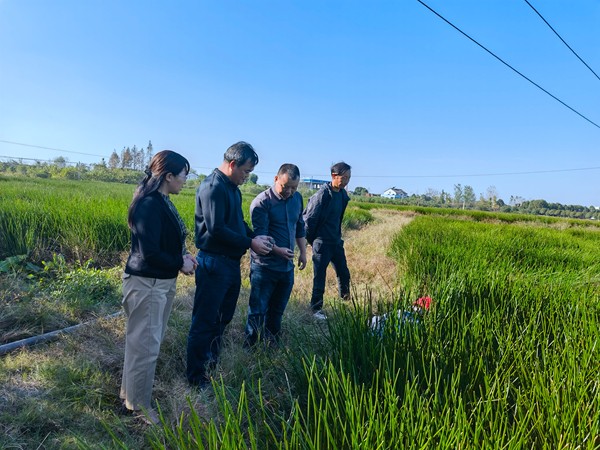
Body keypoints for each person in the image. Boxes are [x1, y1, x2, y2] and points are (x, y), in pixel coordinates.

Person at [120, 150, 197, 425]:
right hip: (147, 284)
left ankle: (129, 397)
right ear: (168, 176)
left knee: (141, 344)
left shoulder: (162, 200)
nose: (186, 180)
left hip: (159, 282)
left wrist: (184, 257)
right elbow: (150, 252)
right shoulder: (149, 204)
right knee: (146, 347)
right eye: (184, 175)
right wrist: (180, 262)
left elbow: (166, 242)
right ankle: (140, 408)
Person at [186, 141, 272, 387]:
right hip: (213, 262)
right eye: (245, 171)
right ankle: (196, 376)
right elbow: (216, 230)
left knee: (222, 318)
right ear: (232, 164)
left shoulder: (232, 189)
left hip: (230, 264)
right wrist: (250, 242)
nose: (247, 176)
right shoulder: (213, 187)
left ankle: (211, 363)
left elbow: (236, 223)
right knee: (205, 320)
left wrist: (254, 236)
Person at [244, 163, 307, 347]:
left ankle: (272, 345)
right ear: (276, 179)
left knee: (277, 310)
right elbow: (260, 237)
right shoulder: (262, 202)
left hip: (287, 267)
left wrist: (302, 252)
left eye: (293, 187)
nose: (288, 191)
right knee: (258, 310)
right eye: (285, 186)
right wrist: (278, 251)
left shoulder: (297, 199)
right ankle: (251, 346)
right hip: (265, 267)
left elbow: (300, 227)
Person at [303, 162, 352, 319]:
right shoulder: (322, 195)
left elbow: (338, 218)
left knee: (344, 273)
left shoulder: (343, 195)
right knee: (320, 276)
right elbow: (308, 221)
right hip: (322, 242)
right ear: (334, 176)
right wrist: (312, 241)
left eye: (349, 178)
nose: (346, 181)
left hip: (336, 242)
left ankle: (345, 301)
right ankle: (316, 308)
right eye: (344, 178)